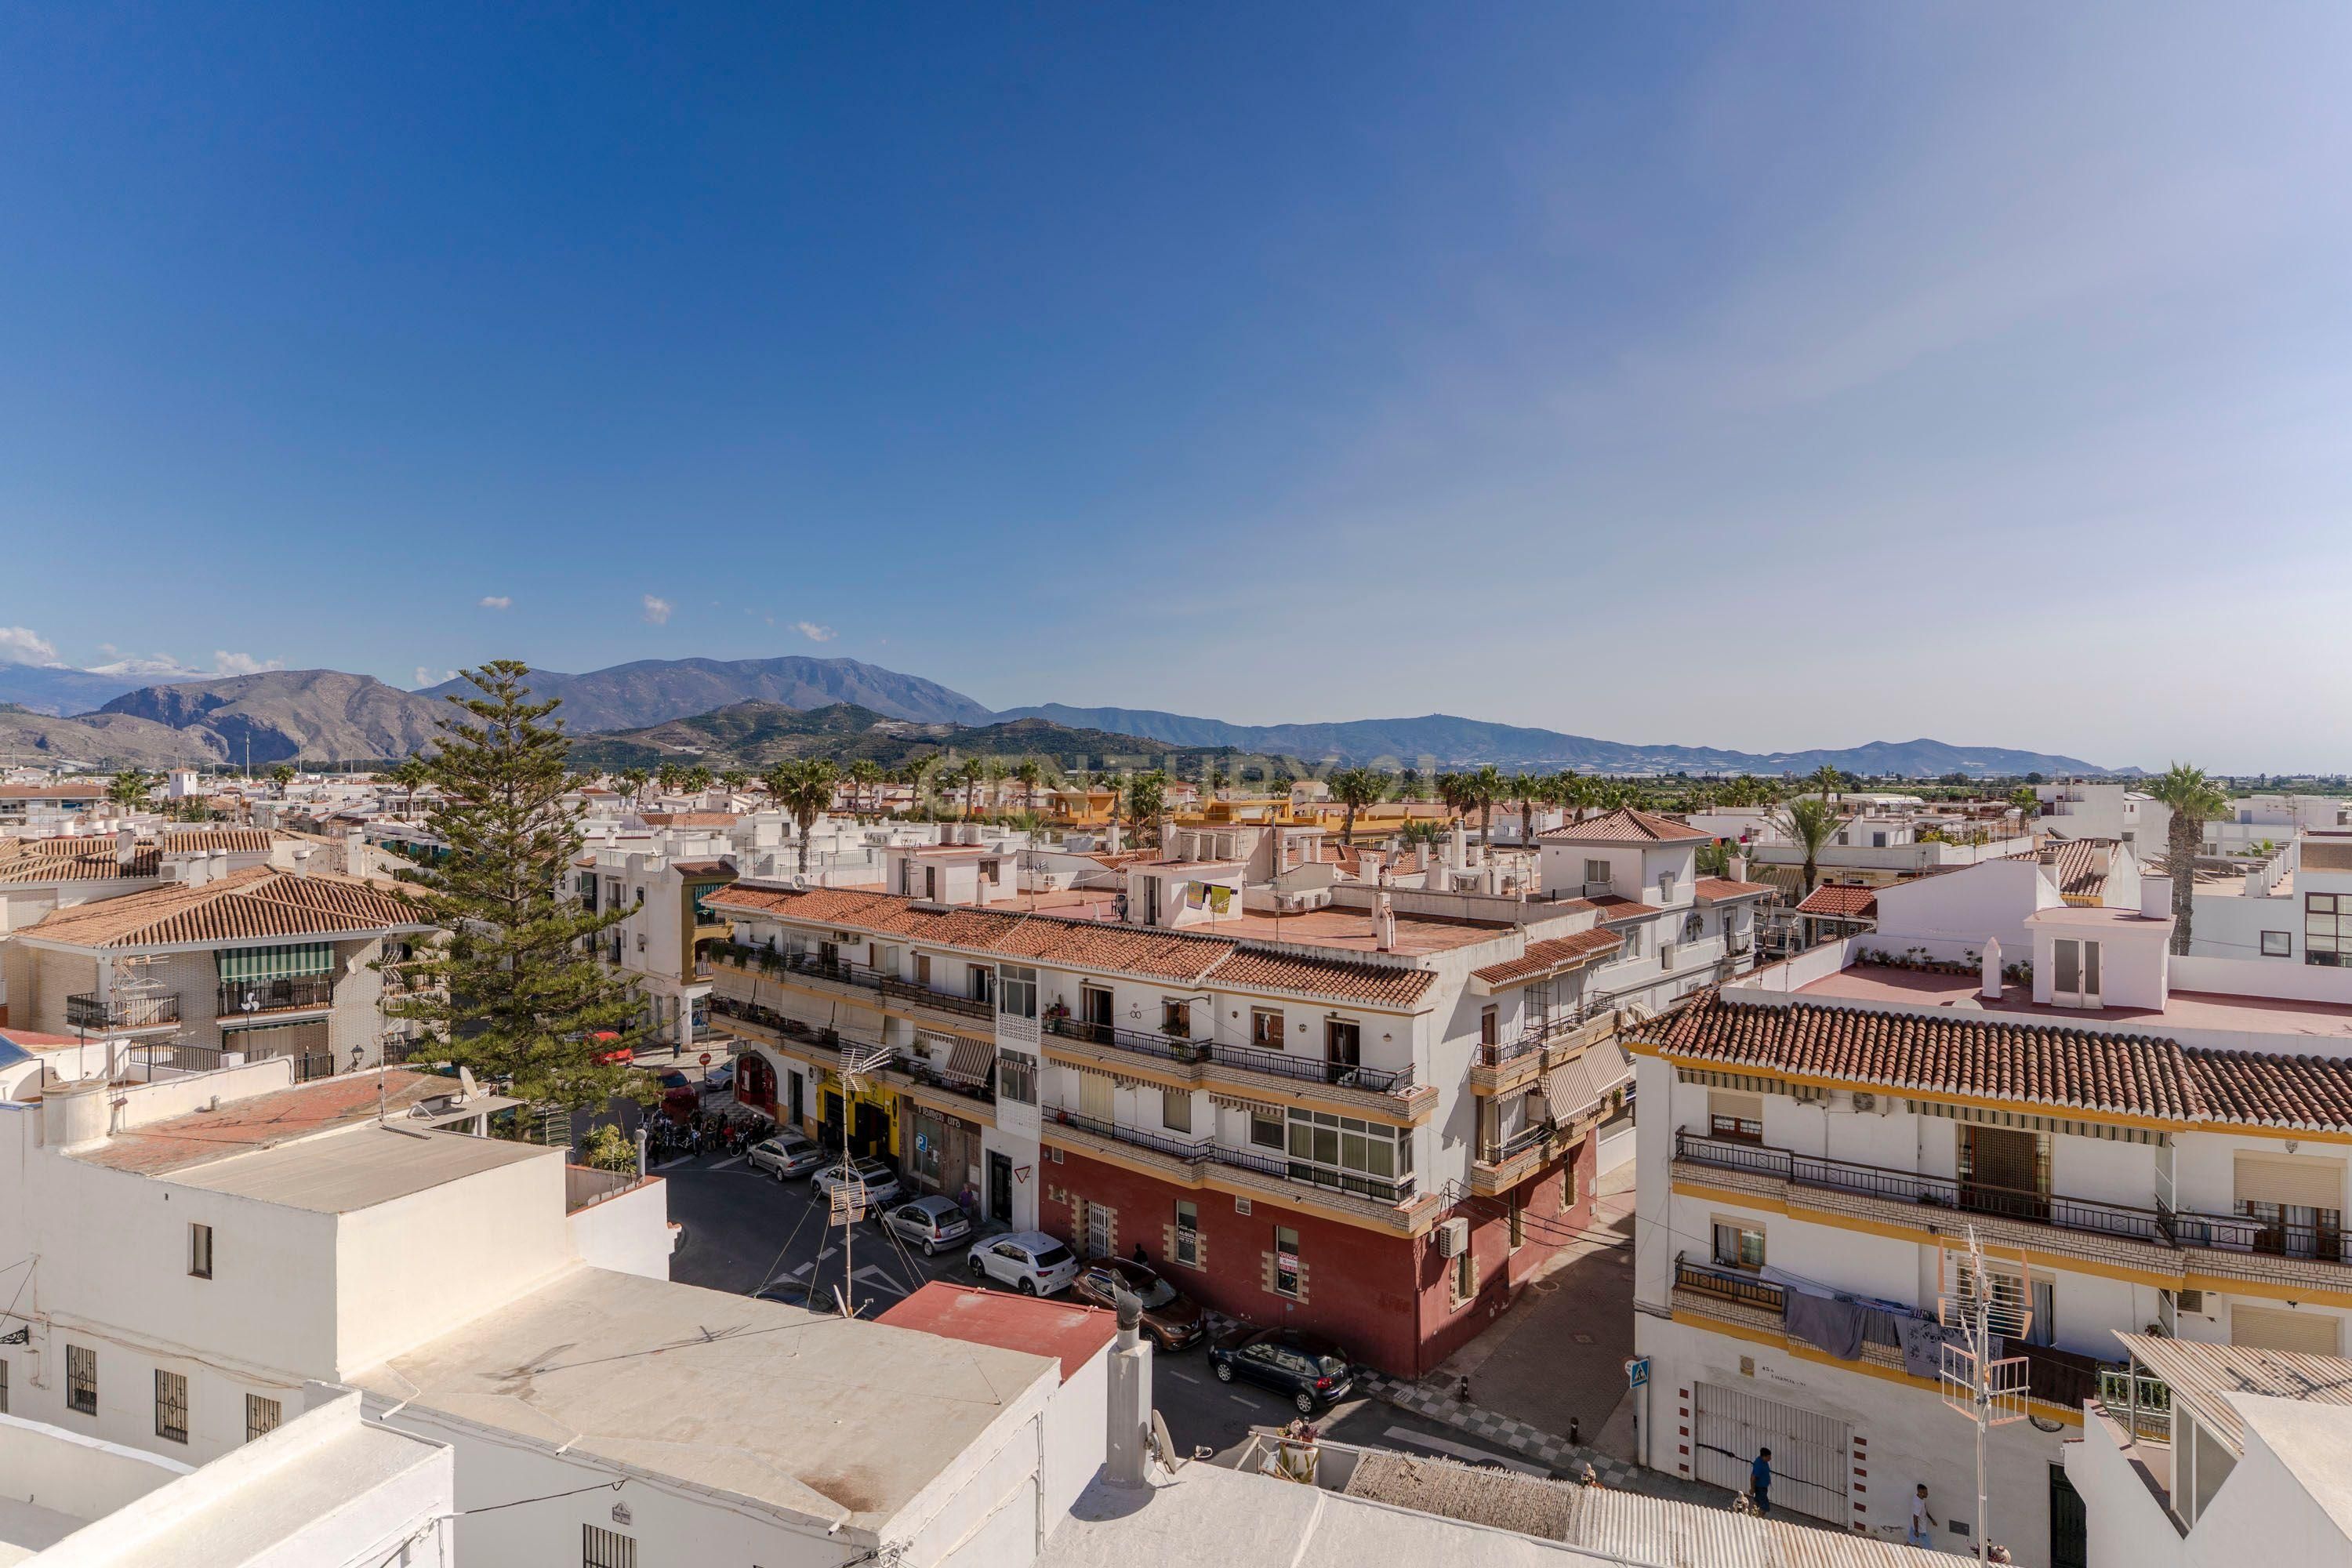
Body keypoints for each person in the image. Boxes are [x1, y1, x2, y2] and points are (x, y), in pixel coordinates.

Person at [1909, 1483, 1938, 1548]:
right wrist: (1917, 1531)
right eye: (1925, 1493)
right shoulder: (1918, 1504)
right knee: (1929, 1548)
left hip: (1914, 1527)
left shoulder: (1919, 1498)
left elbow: (1925, 1511)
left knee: (1910, 1543)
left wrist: (1932, 1520)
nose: (1927, 1494)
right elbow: (1915, 1517)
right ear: (1920, 1492)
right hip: (1920, 1530)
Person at [1750, 1448, 1773, 1515]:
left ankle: (1753, 1516)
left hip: (1763, 1488)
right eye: (1769, 1457)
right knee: (1765, 1507)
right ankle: (1759, 1519)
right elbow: (1753, 1477)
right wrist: (1752, 1488)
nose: (1770, 1458)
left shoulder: (1764, 1462)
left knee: (1757, 1502)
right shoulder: (1759, 1464)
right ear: (1764, 1456)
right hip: (1760, 1489)